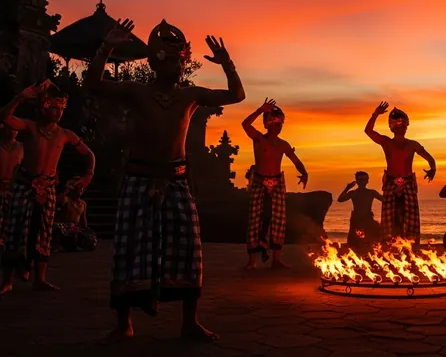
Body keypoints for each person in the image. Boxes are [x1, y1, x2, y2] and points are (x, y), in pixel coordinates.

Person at [84, 19, 245, 342]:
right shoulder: (137, 92)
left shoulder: (192, 96)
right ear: (156, 61)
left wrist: (227, 62)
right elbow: (94, 85)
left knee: (188, 251)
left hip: (177, 181)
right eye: (173, 59)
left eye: (182, 60)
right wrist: (106, 48)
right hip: (139, 180)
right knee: (129, 251)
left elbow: (236, 95)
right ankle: (124, 323)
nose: (180, 65)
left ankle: (189, 323)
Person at [0, 81, 95, 293]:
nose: (58, 113)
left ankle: (39, 279)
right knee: (15, 232)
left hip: (48, 188)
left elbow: (89, 154)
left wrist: (89, 175)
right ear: (43, 106)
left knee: (44, 233)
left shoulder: (65, 134)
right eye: (54, 107)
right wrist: (20, 97)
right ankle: (7, 281)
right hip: (24, 186)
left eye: (61, 109)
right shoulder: (29, 126)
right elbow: (4, 118)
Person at [241, 98, 308, 269]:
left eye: (281, 124)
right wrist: (259, 110)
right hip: (259, 181)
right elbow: (245, 124)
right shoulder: (258, 139)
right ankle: (252, 261)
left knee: (278, 221)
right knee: (254, 221)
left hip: (277, 183)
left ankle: (276, 260)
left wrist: (304, 172)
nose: (279, 127)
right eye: (276, 123)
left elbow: (296, 160)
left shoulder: (283, 144)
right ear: (268, 124)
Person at [365, 102, 436, 245]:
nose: (400, 127)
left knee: (411, 218)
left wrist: (433, 168)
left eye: (402, 124)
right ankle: (388, 245)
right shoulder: (386, 142)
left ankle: (411, 245)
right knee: (389, 217)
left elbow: (430, 158)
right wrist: (375, 114)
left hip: (408, 182)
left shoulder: (413, 144)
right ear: (391, 127)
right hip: (391, 182)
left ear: (406, 126)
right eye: (396, 124)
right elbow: (368, 131)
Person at [338, 171, 383, 251]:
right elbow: (340, 199)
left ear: (367, 181)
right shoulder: (353, 193)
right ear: (357, 181)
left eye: (364, 179)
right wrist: (347, 188)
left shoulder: (371, 192)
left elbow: (385, 200)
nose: (362, 182)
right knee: (354, 241)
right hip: (356, 220)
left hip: (367, 219)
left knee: (371, 240)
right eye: (360, 180)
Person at [52, 181, 98, 252]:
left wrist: (88, 232)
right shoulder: (66, 200)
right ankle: (55, 245)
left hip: (76, 228)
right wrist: (66, 191)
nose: (81, 190)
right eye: (79, 188)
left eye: (82, 188)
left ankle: (74, 243)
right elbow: (56, 199)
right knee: (56, 227)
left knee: (91, 240)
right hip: (65, 227)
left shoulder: (83, 204)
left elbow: (83, 220)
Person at [0, 121, 23, 250]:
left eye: (15, 128)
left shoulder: (22, 147)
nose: (13, 131)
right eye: (10, 128)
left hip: (15, 190)